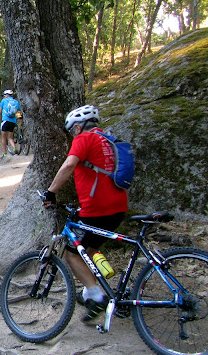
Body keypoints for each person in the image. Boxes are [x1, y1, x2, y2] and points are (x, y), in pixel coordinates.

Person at [43, 104, 128, 322]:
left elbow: (69, 166)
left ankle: (98, 296)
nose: (73, 134)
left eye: (73, 130)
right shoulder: (108, 140)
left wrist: (51, 192)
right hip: (118, 207)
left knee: (71, 254)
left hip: (97, 209)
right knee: (88, 249)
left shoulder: (83, 139)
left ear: (79, 127)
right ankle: (90, 291)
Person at [0, 89, 21, 160]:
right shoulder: (16, 101)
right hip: (13, 121)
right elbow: (18, 109)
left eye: (4, 95)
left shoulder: (3, 101)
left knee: (3, 137)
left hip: (5, 120)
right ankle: (14, 148)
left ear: (7, 95)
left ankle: (5, 153)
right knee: (10, 137)